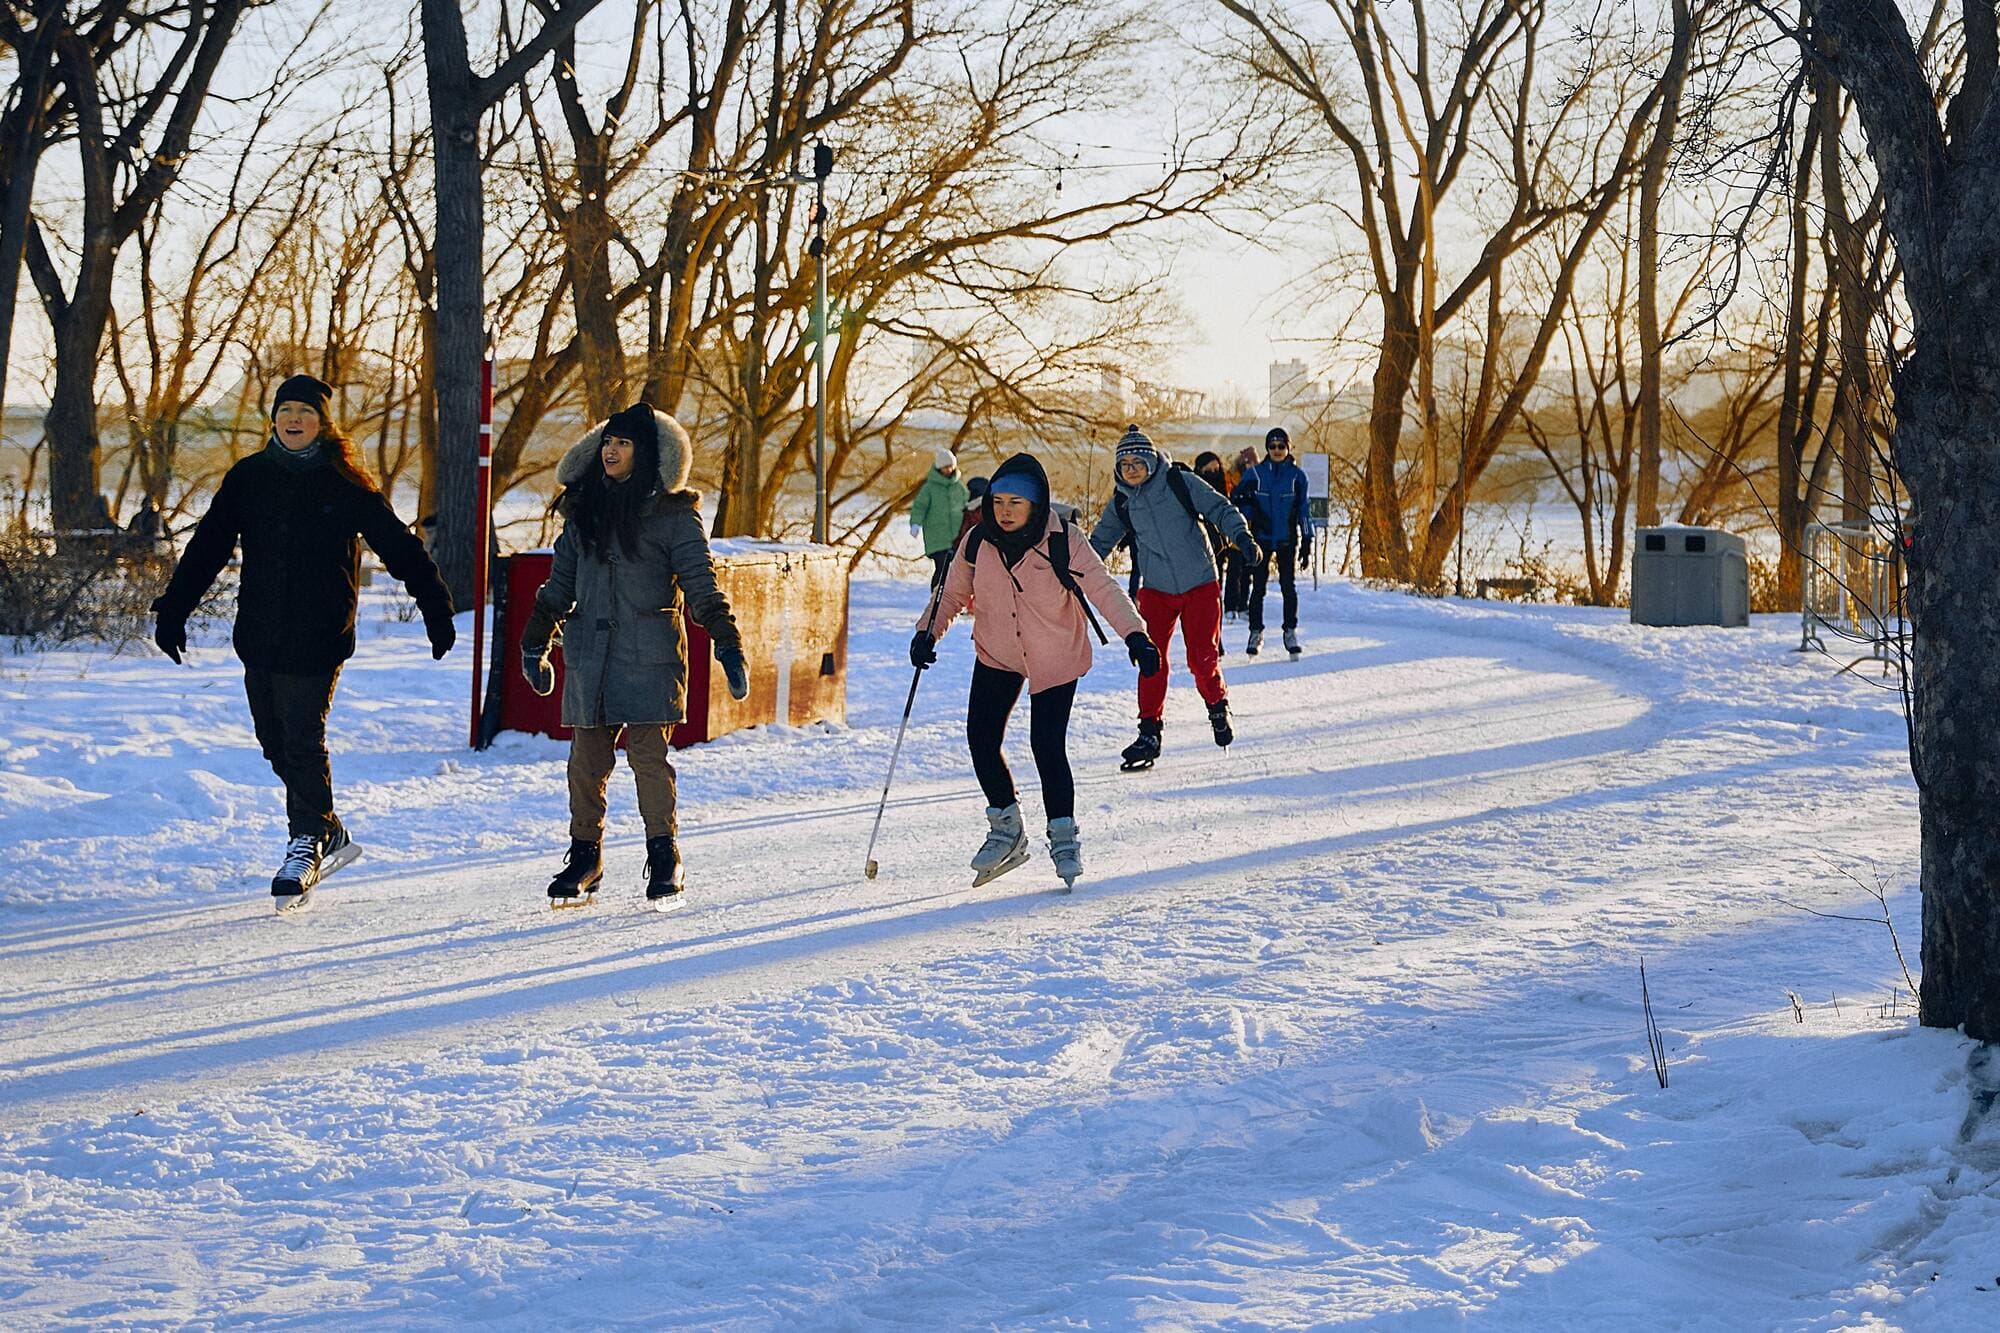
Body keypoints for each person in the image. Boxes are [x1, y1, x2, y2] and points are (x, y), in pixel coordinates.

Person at [150, 374, 456, 905]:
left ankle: (307, 839)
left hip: (320, 632)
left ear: (322, 424)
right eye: (286, 410)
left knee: (301, 735)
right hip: (261, 631)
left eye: (305, 413)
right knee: (273, 740)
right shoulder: (249, 478)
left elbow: (399, 547)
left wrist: (435, 606)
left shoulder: (345, 483)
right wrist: (174, 608)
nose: (294, 419)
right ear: (274, 419)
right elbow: (208, 547)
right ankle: (328, 826)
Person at [521, 403, 749, 911]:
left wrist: (727, 644)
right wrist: (536, 641)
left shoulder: (674, 515)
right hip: (591, 657)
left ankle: (664, 855)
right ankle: (585, 858)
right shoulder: (585, 512)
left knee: (649, 759)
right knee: (585, 762)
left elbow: (701, 586)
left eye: (623, 443)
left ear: (644, 453)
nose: (611, 450)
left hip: (649, 657)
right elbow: (559, 587)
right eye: (608, 441)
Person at [910, 452, 1159, 890]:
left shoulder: (1064, 539)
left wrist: (1135, 636)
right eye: (998, 501)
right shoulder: (977, 541)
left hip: (1055, 653)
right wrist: (928, 632)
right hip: (999, 650)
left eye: (1015, 504)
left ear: (1036, 505)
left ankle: (1063, 836)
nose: (1004, 512)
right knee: (980, 737)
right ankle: (1007, 827)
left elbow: (1103, 588)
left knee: (1046, 744)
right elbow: (950, 594)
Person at [1090, 427, 1259, 770]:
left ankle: (1217, 705)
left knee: (1201, 658)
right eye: (1125, 464)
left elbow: (1219, 508)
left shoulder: (1178, 481)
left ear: (1152, 461)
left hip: (1200, 581)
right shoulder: (1122, 500)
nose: (1132, 469)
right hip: (1156, 589)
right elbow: (1098, 545)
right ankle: (1149, 732)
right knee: (1152, 660)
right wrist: (1073, 572)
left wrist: (1241, 535)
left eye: (1139, 461)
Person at [1232, 426, 1311, 655]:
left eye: (1281, 446)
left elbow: (1304, 509)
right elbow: (1239, 502)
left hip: (1286, 538)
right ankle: (1255, 631)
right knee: (1258, 587)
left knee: (1288, 586)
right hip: (1261, 538)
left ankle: (1290, 630)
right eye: (1272, 446)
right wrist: (1248, 520)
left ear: (1288, 448)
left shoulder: (1297, 476)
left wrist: (1307, 539)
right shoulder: (1255, 474)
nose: (1277, 450)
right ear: (1267, 448)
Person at [909, 446, 969, 588]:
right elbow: (919, 506)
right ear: (939, 467)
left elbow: (967, 506)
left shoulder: (959, 487)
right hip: (937, 537)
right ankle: (936, 596)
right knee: (942, 567)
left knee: (956, 569)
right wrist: (915, 523)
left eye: (950, 466)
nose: (948, 470)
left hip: (957, 537)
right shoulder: (929, 488)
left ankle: (951, 598)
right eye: (945, 467)